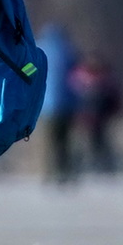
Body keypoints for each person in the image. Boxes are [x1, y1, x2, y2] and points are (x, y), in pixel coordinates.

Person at [38, 23, 81, 183]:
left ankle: (49, 173)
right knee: (66, 142)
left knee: (49, 142)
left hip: (47, 106)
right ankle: (66, 172)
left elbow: (30, 69)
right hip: (67, 105)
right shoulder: (69, 51)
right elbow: (76, 76)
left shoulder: (40, 49)